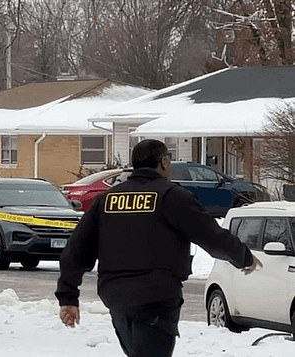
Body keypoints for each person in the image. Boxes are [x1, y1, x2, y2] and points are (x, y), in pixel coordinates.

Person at [55, 139, 262, 357]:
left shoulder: (106, 200)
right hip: (156, 295)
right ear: (163, 162)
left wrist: (68, 296)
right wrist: (244, 257)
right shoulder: (171, 196)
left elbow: (76, 250)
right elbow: (211, 235)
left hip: (116, 295)